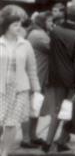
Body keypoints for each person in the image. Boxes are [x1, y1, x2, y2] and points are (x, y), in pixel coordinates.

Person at [0, 5, 41, 156]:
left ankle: (4, 155)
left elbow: (32, 69)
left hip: (19, 89)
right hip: (0, 88)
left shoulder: (25, 45)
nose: (19, 28)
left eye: (20, 25)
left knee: (11, 123)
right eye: (15, 25)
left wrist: (36, 88)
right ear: (7, 27)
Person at [43, 4, 75, 153]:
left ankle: (47, 142)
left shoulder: (55, 31)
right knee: (69, 110)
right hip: (72, 78)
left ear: (66, 15)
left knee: (56, 110)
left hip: (56, 76)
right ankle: (62, 141)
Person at [24, 12, 52, 148]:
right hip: (35, 76)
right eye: (50, 21)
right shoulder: (39, 35)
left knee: (35, 107)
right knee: (30, 108)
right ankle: (26, 138)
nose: (52, 24)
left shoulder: (37, 33)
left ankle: (32, 136)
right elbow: (54, 48)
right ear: (43, 22)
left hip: (38, 75)